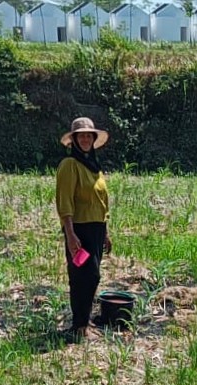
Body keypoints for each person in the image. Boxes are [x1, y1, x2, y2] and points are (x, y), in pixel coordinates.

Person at [55, 116, 113, 342]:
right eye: (82, 136)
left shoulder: (94, 167)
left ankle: (85, 321)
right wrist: (70, 234)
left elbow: (101, 202)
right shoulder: (69, 166)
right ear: (75, 140)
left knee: (92, 278)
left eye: (90, 135)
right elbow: (65, 202)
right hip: (79, 231)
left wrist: (106, 232)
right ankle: (79, 325)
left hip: (96, 230)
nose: (86, 139)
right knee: (84, 276)